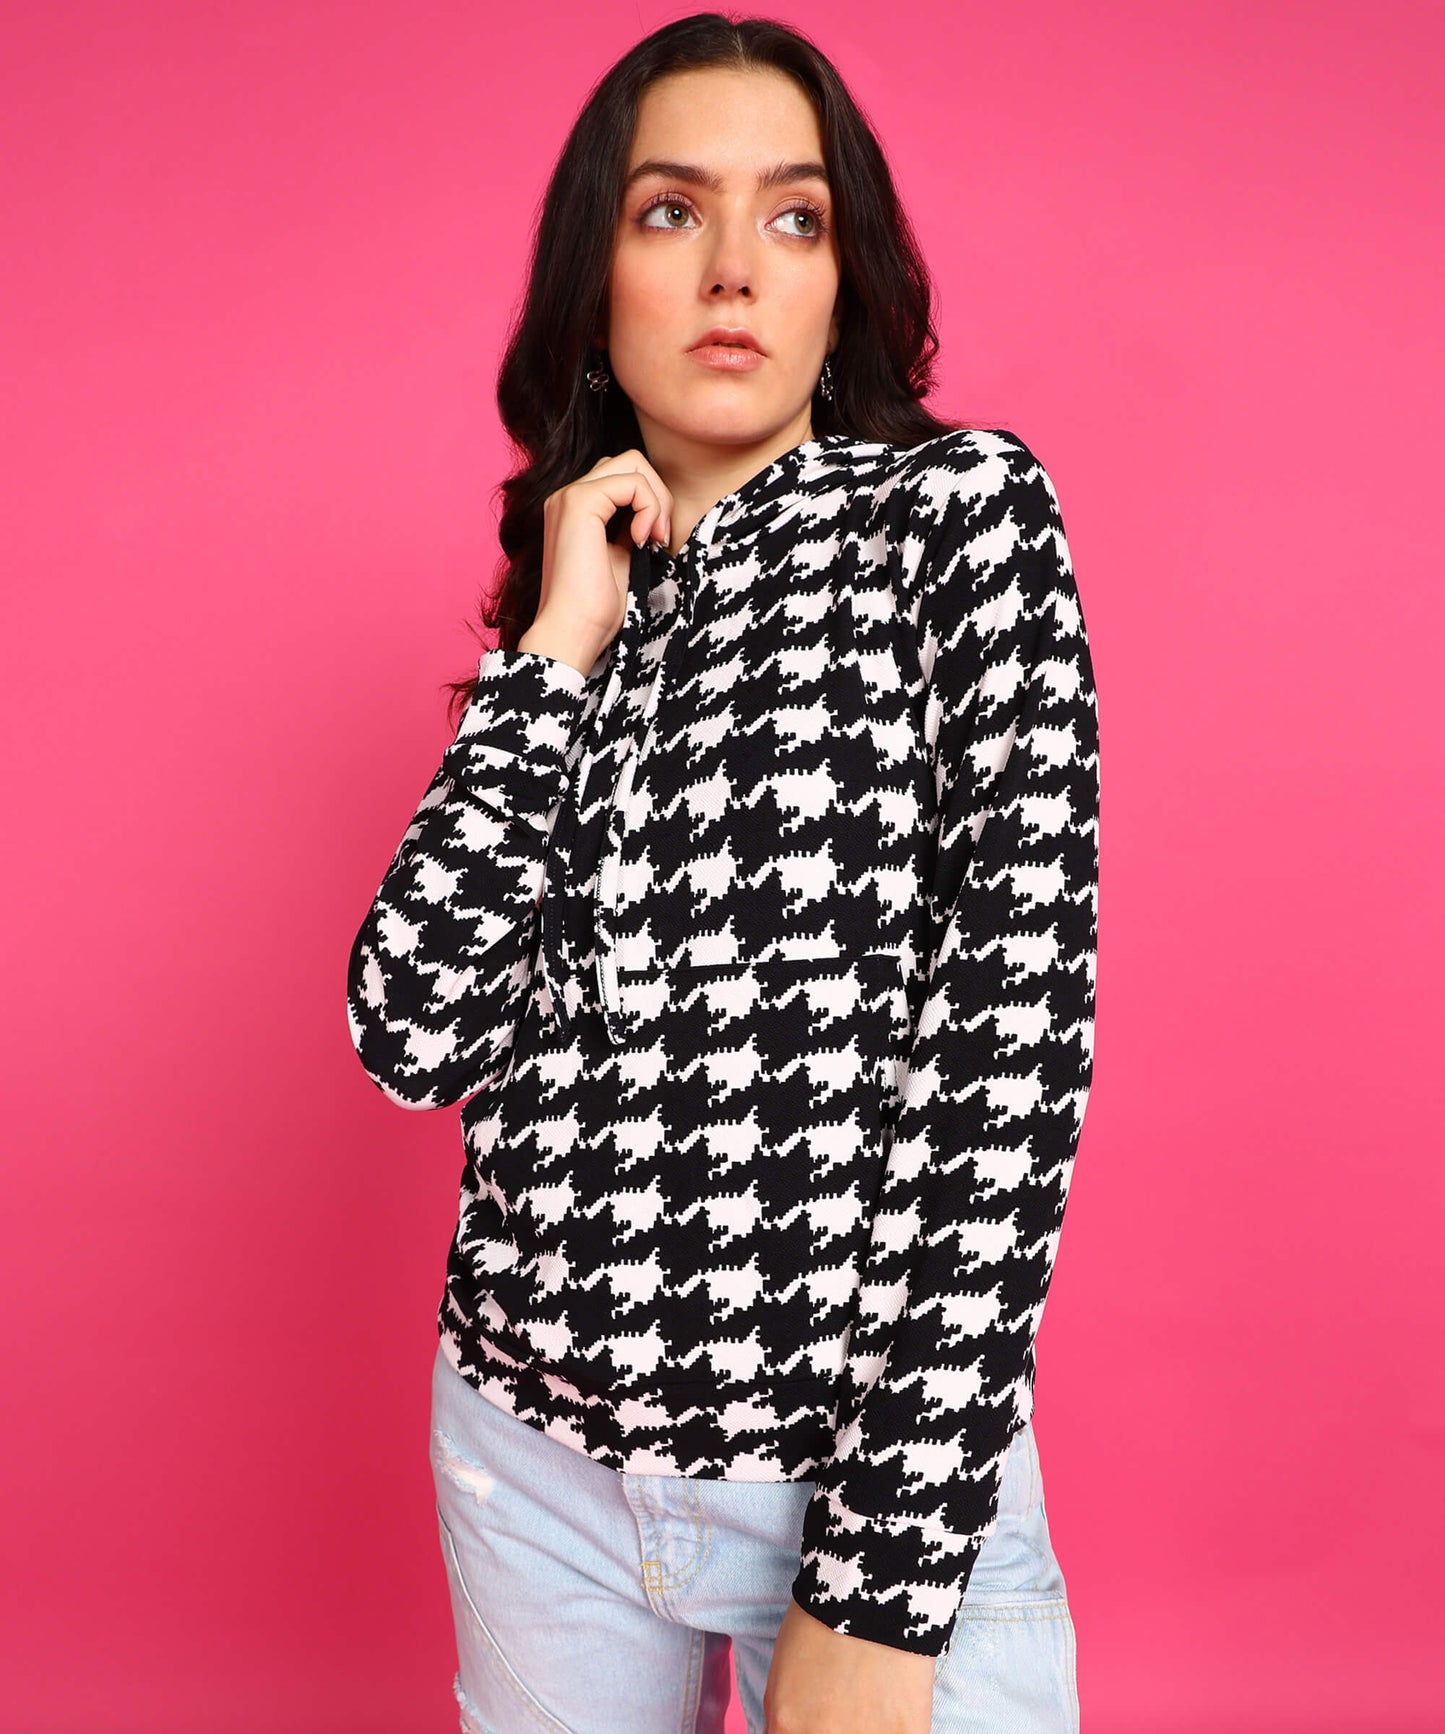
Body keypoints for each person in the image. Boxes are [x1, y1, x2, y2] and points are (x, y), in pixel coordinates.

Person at [346, 13, 1099, 1733]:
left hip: (859, 1467)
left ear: (843, 281)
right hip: (529, 1463)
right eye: (671, 210)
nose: (733, 269)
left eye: (795, 215)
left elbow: (1006, 1063)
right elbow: (410, 1030)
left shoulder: (957, 518)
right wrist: (554, 646)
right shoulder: (577, 608)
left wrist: (883, 1578)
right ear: (595, 277)